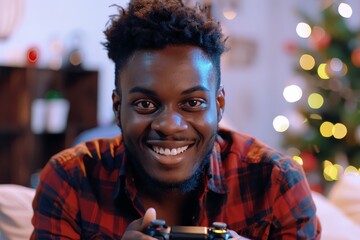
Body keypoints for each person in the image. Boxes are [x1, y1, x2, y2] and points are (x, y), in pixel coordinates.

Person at [31, 0, 321, 239]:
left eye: (192, 103)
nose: (170, 125)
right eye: (145, 104)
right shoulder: (71, 179)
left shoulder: (276, 182)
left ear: (219, 106)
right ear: (118, 108)